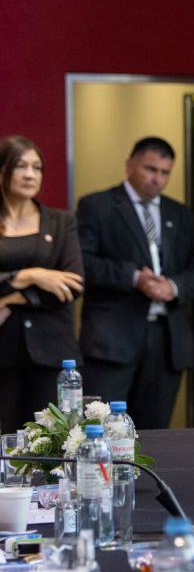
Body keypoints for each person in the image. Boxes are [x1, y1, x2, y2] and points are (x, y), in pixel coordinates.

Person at [77, 137, 194, 430]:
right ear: (129, 166)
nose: (157, 179)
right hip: (113, 339)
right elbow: (83, 263)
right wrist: (134, 277)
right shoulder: (97, 206)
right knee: (103, 428)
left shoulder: (180, 214)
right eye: (150, 169)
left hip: (166, 338)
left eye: (165, 172)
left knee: (154, 430)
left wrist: (173, 287)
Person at [0, 136, 84, 433]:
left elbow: (72, 285)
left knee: (50, 441)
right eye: (20, 166)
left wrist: (8, 298)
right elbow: (47, 282)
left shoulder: (61, 222)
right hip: (3, 349)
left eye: (36, 168)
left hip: (51, 352)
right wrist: (31, 276)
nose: (30, 175)